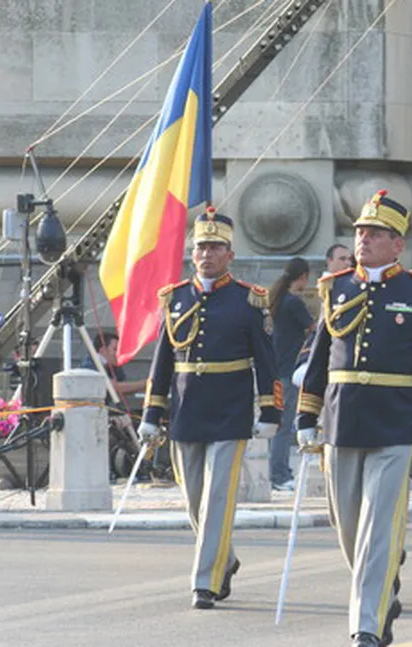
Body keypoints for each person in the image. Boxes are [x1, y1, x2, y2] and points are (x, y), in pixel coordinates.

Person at [296, 189, 412, 647]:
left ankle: (367, 624)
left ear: (397, 244)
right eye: (361, 231)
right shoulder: (335, 287)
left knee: (378, 526)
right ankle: (382, 587)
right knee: (348, 527)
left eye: (376, 233)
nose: (364, 239)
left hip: (394, 425)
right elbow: (319, 359)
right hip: (342, 422)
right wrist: (306, 416)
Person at [137, 207, 281, 610]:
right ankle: (226, 558)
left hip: (229, 411)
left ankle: (205, 581)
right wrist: (152, 412)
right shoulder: (175, 298)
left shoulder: (249, 300)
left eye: (215, 247)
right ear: (192, 251)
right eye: (201, 246)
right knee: (194, 500)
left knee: (217, 498)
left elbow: (267, 361)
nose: (207, 254)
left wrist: (270, 410)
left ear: (229, 255)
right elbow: (162, 362)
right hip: (186, 412)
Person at [268, 257, 314, 491]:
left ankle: (278, 470)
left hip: (276, 369)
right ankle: (279, 474)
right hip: (289, 369)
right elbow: (313, 329)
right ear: (303, 276)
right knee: (284, 426)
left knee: (278, 424)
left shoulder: (276, 299)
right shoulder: (293, 303)